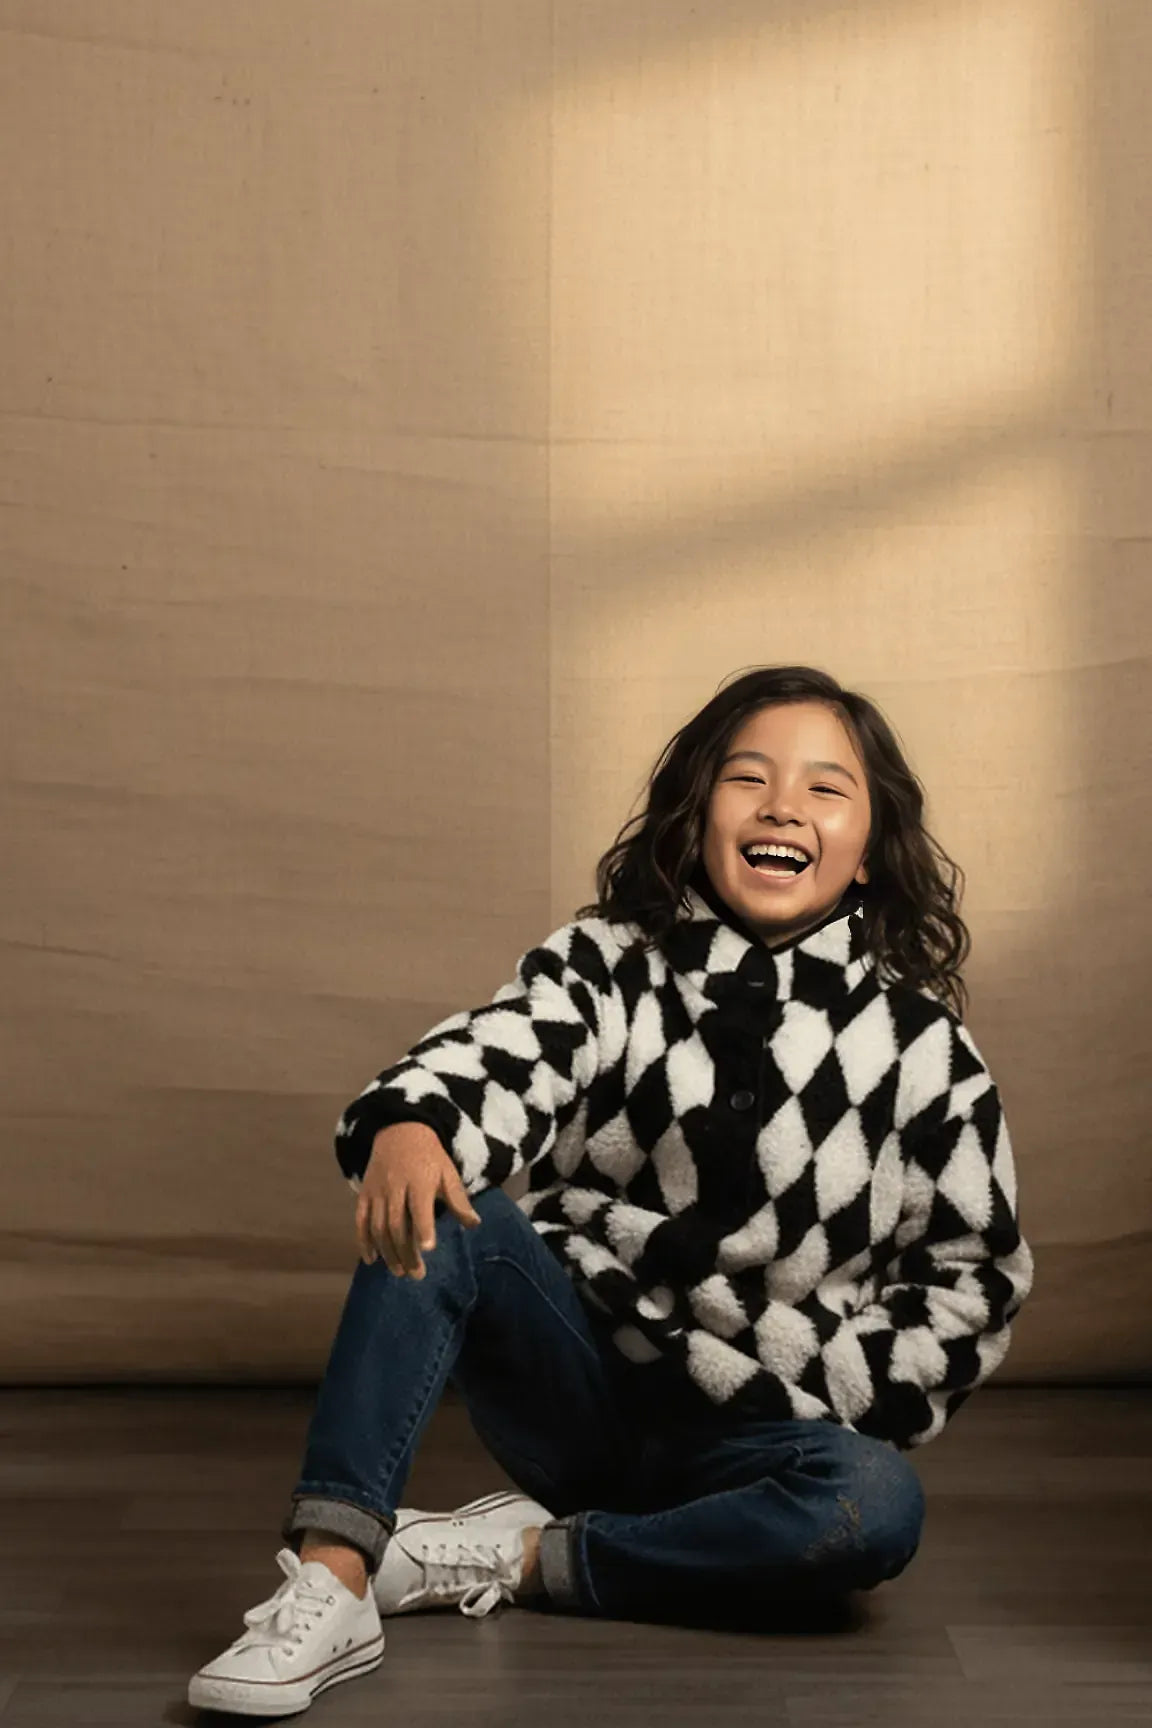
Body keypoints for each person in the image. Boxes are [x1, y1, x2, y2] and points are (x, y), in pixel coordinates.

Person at [188, 664, 1035, 1716]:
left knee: (875, 1506)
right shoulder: (609, 966)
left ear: (869, 855)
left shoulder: (923, 1051)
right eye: (749, 778)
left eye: (826, 789)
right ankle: (337, 1575)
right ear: (695, 816)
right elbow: (505, 1054)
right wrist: (416, 1120)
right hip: (578, 1383)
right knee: (462, 1211)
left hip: (762, 1437)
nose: (782, 806)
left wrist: (830, 1384)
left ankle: (520, 1557)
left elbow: (969, 1283)